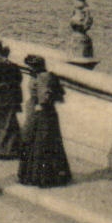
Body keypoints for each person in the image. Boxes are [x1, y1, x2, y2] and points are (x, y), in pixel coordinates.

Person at [18, 55, 72, 187]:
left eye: (31, 67)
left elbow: (45, 96)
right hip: (44, 114)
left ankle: (40, 176)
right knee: (42, 143)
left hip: (42, 115)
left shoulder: (43, 77)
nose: (29, 69)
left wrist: (39, 106)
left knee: (39, 143)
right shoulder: (45, 76)